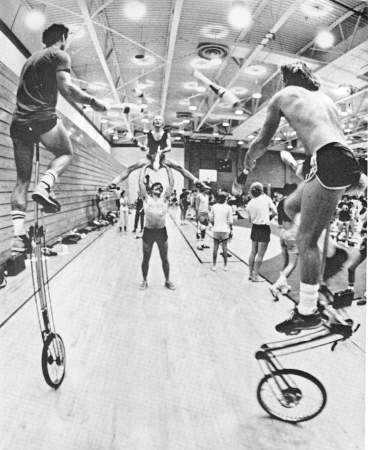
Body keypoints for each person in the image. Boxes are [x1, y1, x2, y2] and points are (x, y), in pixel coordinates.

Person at [233, 60, 366, 334]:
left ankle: (307, 311)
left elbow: (262, 140)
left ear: (286, 79)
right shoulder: (325, 99)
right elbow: (332, 136)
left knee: (305, 239)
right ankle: (330, 254)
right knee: (289, 206)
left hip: (328, 159)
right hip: (345, 160)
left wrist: (248, 160)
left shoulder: (282, 96)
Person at [10, 23, 106, 254]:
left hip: (19, 122)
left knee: (22, 181)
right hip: (42, 118)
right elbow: (67, 89)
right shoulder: (59, 54)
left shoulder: (30, 60)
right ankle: (45, 186)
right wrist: (94, 103)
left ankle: (18, 237)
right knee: (65, 153)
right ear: (63, 37)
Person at [109, 115, 208, 189]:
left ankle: (197, 181)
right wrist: (141, 146)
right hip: (149, 159)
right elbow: (145, 147)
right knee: (130, 168)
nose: (157, 121)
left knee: (179, 167)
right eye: (156, 119)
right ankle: (114, 183)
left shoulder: (166, 134)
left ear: (163, 123)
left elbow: (169, 147)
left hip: (162, 159)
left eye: (159, 119)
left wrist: (163, 150)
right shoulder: (149, 135)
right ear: (153, 123)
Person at [138, 163, 175, 291]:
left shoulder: (165, 199)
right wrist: (144, 167)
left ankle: (167, 280)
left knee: (164, 258)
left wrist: (167, 168)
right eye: (157, 186)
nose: (159, 188)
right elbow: (141, 184)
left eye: (161, 187)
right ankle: (144, 281)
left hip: (161, 232)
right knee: (146, 258)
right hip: (148, 232)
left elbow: (171, 184)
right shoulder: (146, 199)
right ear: (151, 189)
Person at [269, 183, 299, 300]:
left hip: (282, 232)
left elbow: (279, 221)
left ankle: (284, 285)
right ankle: (276, 286)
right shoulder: (295, 204)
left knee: (286, 262)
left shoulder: (281, 202)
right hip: (292, 233)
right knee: (292, 264)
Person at [246, 182, 277, 282]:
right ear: (261, 190)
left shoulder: (250, 203)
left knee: (253, 252)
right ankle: (255, 276)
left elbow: (250, 220)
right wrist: (268, 218)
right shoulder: (266, 199)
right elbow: (275, 212)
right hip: (264, 228)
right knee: (260, 254)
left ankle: (250, 274)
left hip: (255, 228)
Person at [209, 192, 233, 271]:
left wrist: (214, 225)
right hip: (225, 230)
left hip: (216, 229)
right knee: (225, 248)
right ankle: (225, 265)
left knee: (215, 248)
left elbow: (211, 219)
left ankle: (214, 265)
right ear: (226, 198)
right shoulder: (228, 207)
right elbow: (230, 221)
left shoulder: (214, 207)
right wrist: (231, 230)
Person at [195, 186, 211, 250]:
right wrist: (197, 215)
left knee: (204, 229)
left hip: (206, 213)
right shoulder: (199, 195)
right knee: (199, 229)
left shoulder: (207, 196)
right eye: (208, 189)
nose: (209, 190)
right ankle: (198, 245)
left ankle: (203, 243)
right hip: (200, 213)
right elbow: (196, 206)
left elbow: (208, 205)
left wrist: (209, 213)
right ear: (204, 189)